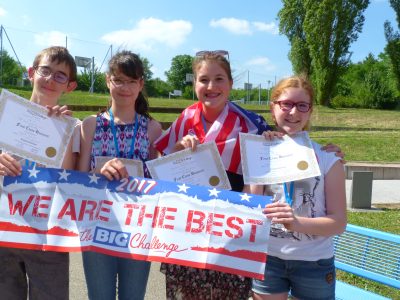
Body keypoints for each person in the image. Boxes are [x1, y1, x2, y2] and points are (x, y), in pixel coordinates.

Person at [251, 75, 347, 300]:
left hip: (314, 262)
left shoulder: (328, 159)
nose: (293, 112)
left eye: (302, 105)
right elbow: (252, 207)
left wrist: (296, 223)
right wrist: (259, 156)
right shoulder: (259, 152)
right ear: (273, 108)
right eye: (286, 104)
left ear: (310, 111)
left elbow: (339, 223)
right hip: (269, 259)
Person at [78, 50, 162, 300]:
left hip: (138, 228)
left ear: (141, 84)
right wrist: (97, 172)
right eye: (119, 80)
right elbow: (80, 175)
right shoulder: (90, 124)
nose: (125, 87)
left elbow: (158, 183)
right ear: (107, 80)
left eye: (132, 81)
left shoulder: (153, 128)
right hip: (97, 225)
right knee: (99, 296)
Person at [0, 46, 78, 300]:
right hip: (4, 228)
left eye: (60, 75)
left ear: (69, 86)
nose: (50, 79)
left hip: (47, 233)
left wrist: (59, 130)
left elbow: (69, 176)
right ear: (31, 73)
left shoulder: (72, 127)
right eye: (45, 71)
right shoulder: (5, 113)